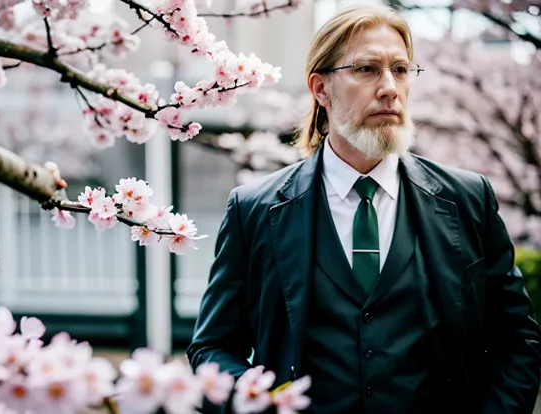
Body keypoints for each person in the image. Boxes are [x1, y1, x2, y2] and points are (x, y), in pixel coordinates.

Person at [186, 4, 541, 414]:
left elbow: (518, 341)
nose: (390, 87)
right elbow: (212, 348)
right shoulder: (254, 209)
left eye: (401, 70)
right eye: (368, 69)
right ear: (321, 89)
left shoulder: (467, 199)